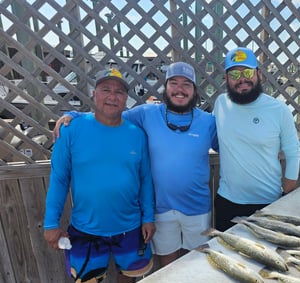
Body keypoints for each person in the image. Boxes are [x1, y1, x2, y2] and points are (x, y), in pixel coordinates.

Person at [53, 62, 218, 268]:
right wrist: (75, 115)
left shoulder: (209, 122)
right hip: (161, 207)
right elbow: (109, 114)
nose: (180, 89)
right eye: (173, 83)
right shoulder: (146, 113)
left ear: (194, 91)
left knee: (198, 260)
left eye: (187, 84)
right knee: (167, 262)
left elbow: (229, 146)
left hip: (198, 207)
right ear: (166, 88)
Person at [44, 68, 155, 283]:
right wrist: (51, 223)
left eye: (119, 92)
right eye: (106, 89)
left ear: (126, 99)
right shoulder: (71, 130)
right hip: (87, 229)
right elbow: (60, 179)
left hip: (131, 227)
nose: (112, 96)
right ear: (94, 94)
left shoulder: (137, 134)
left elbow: (145, 179)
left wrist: (148, 217)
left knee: (129, 275)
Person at [213, 47, 300, 231]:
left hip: (267, 203)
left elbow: (293, 153)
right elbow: (216, 138)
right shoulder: (220, 103)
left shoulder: (279, 109)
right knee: (225, 255)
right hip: (226, 201)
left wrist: (287, 196)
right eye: (235, 74)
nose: (242, 79)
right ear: (226, 79)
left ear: (258, 74)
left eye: (248, 72)